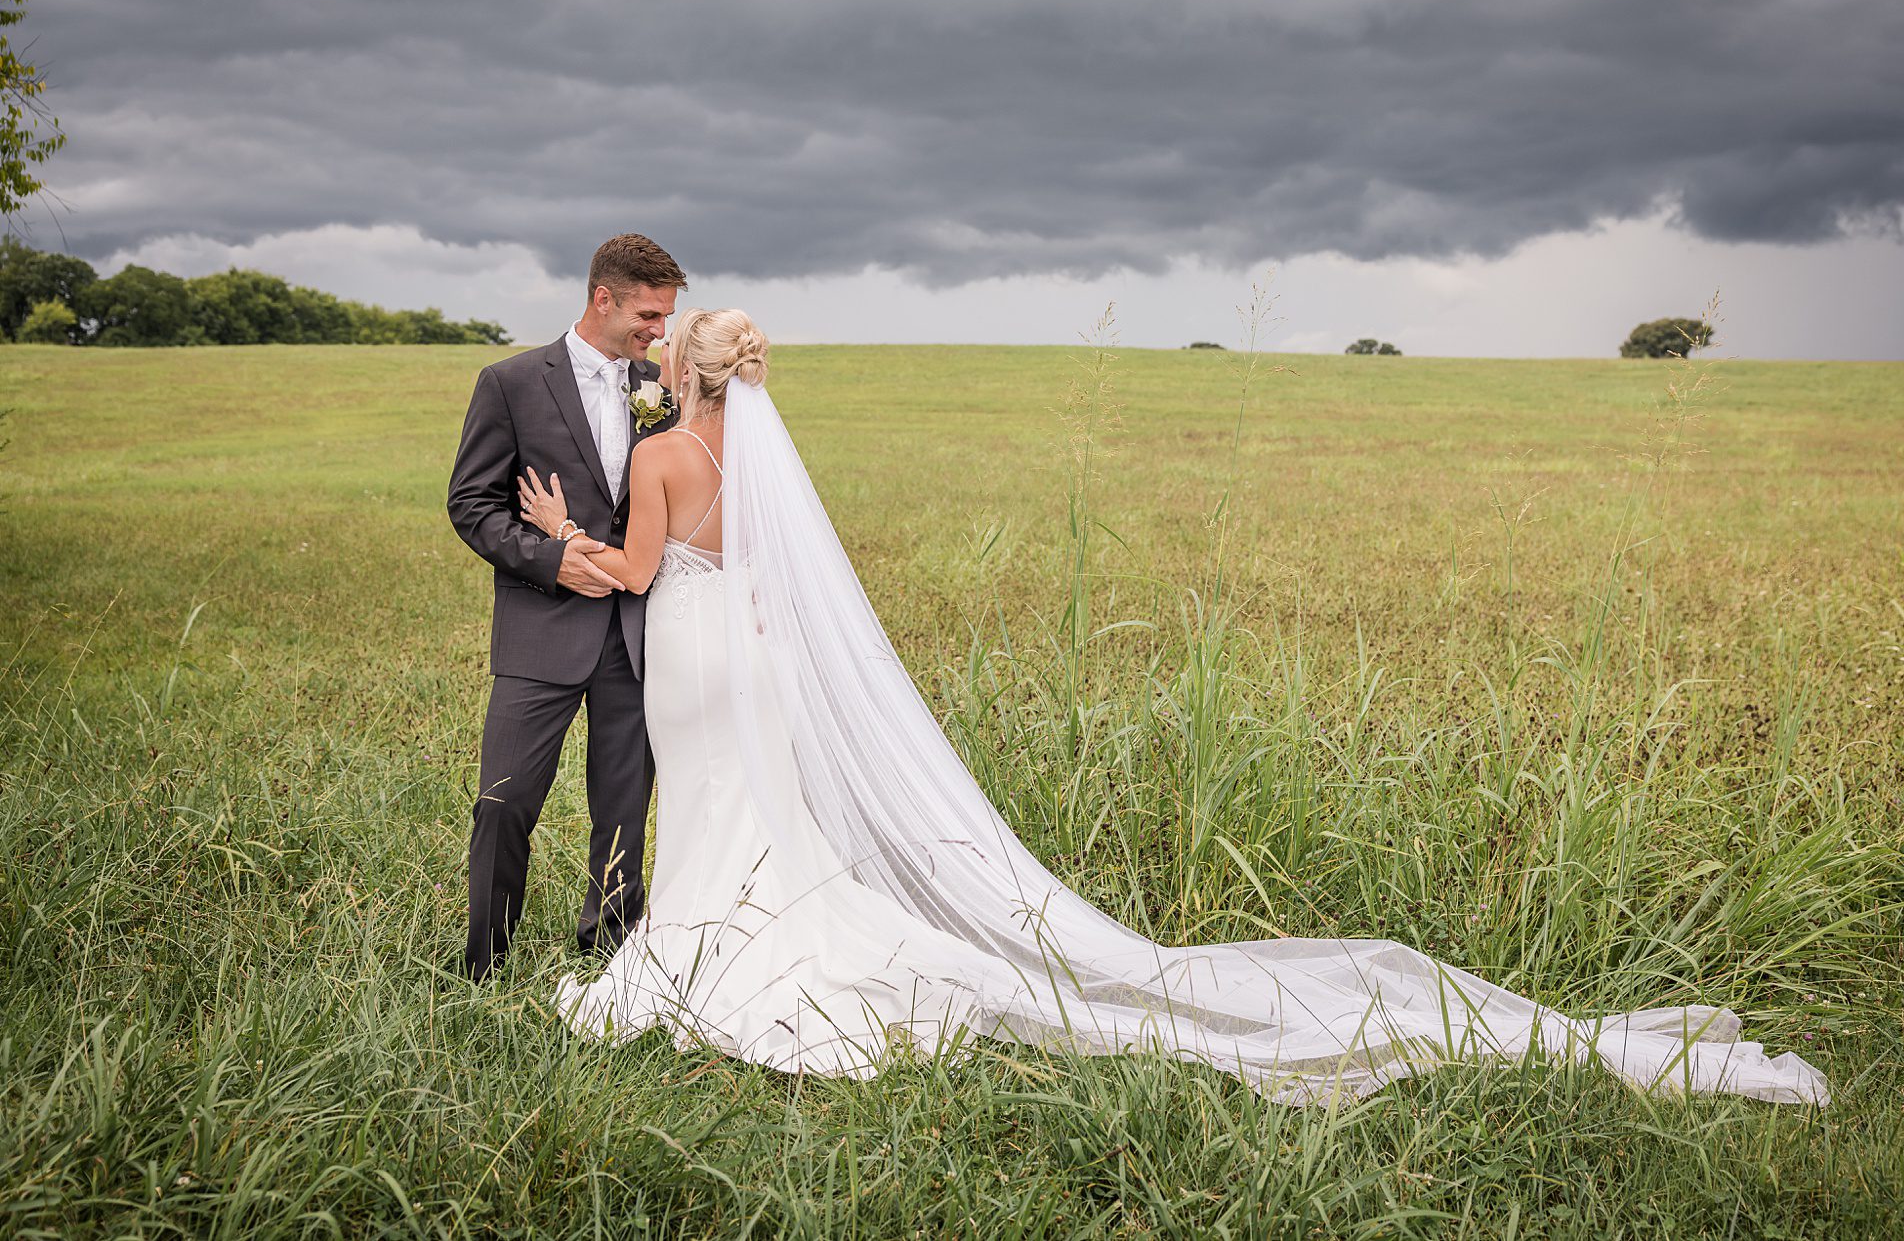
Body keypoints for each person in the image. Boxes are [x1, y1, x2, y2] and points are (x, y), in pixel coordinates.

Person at [515, 308, 1831, 1107]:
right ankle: (750, 921)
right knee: (770, 801)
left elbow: (635, 573)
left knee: (705, 793)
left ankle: (705, 945)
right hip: (759, 651)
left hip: (689, 651)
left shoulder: (669, 457)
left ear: (680, 370)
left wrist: (564, 527)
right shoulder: (762, 463)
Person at [446, 233, 685, 981]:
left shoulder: (664, 389)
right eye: (649, 314)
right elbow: (472, 504)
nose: (661, 331)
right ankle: (486, 961)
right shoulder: (511, 381)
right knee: (504, 800)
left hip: (635, 636)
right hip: (539, 630)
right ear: (602, 298)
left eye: (668, 316)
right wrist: (553, 560)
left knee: (623, 807)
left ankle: (612, 956)